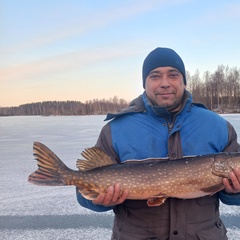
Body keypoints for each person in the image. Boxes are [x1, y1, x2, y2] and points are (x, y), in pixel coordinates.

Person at [76, 47, 240, 240]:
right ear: (144, 83)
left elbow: (231, 199)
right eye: (155, 76)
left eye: (173, 75)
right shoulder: (115, 130)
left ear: (183, 81)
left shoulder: (218, 126)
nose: (165, 83)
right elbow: (83, 192)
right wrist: (99, 201)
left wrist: (235, 192)